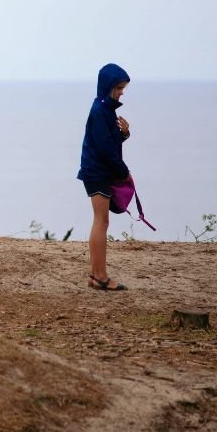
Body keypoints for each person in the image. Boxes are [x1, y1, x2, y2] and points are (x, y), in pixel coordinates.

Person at [77, 63, 133, 291]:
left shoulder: (105, 109)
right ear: (108, 86)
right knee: (101, 221)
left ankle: (95, 274)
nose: (121, 92)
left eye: (123, 88)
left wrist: (124, 134)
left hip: (98, 170)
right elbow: (104, 149)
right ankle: (100, 275)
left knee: (101, 221)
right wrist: (123, 171)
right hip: (97, 171)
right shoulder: (100, 111)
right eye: (119, 88)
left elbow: (109, 143)